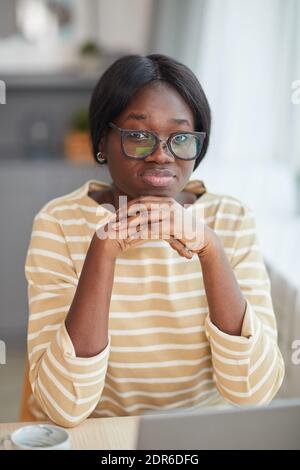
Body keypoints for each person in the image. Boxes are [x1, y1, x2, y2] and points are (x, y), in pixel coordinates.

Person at [25, 54, 284, 427]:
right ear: (102, 141)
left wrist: (210, 252)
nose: (161, 154)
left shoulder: (231, 220)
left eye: (180, 138)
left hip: (203, 435)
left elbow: (253, 392)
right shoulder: (59, 223)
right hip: (100, 435)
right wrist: (103, 249)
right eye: (138, 136)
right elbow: (65, 407)